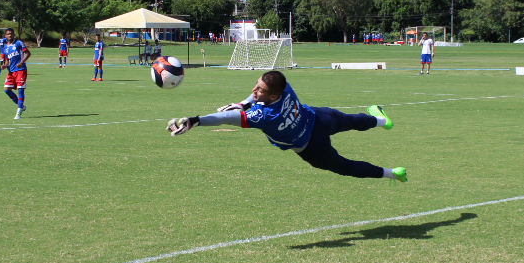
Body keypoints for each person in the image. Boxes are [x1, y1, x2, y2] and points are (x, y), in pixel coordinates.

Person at [166, 71, 407, 182]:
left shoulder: (262, 117)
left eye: (259, 90)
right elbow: (255, 99)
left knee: (342, 166)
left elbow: (222, 119)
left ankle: (391, 173)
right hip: (318, 118)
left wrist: (195, 120)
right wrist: (244, 102)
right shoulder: (283, 86)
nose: (254, 90)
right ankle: (383, 121)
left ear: (271, 97)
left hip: (311, 147)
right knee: (351, 120)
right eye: (256, 85)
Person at [0, 28, 31, 119]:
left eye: (11, 34)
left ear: (14, 35)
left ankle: (18, 113)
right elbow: (7, 61)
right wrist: (5, 66)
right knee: (7, 89)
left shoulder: (18, 43)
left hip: (20, 70)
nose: (10, 35)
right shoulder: (5, 48)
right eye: (8, 34)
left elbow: (28, 53)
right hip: (11, 72)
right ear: (5, 36)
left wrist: (21, 62)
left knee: (20, 89)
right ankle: (21, 106)